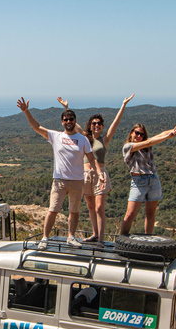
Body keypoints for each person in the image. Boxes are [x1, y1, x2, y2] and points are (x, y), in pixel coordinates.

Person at [16, 97, 98, 249]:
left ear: (75, 120)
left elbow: (91, 159)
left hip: (77, 181)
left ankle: (71, 237)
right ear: (62, 122)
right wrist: (26, 112)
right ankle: (45, 238)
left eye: (71, 119)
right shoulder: (56, 136)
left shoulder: (83, 139)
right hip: (59, 180)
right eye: (66, 119)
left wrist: (96, 174)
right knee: (53, 210)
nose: (69, 121)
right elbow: (37, 127)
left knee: (74, 211)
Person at [57, 95, 134, 245]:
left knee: (99, 207)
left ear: (102, 126)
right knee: (91, 207)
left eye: (99, 123)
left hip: (100, 175)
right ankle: (95, 234)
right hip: (85, 175)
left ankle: (102, 239)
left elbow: (116, 124)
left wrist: (123, 105)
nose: (96, 125)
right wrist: (66, 107)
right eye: (94, 123)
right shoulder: (85, 138)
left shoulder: (105, 139)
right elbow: (73, 124)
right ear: (90, 125)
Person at [119, 117, 176, 236]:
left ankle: (148, 241)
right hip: (139, 181)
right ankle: (121, 240)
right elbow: (149, 142)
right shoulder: (128, 146)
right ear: (131, 133)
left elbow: (160, 134)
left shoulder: (145, 144)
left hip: (153, 179)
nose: (138, 136)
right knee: (130, 214)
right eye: (136, 133)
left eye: (141, 134)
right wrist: (168, 137)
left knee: (151, 214)